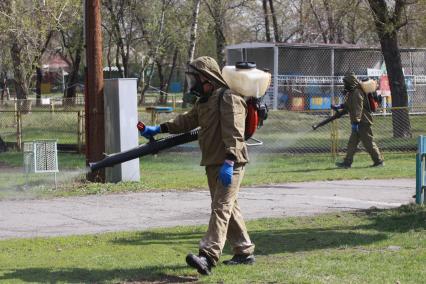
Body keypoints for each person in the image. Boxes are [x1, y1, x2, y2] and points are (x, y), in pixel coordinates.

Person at [138, 56, 255, 275]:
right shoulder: (205, 101)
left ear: (208, 78)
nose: (194, 83)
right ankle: (244, 251)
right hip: (212, 162)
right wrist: (158, 129)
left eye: (197, 78)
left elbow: (235, 133)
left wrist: (230, 161)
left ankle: (208, 256)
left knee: (220, 207)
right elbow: (185, 121)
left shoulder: (228, 97)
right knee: (228, 207)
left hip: (230, 162)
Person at [333, 72, 384, 168]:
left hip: (363, 122)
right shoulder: (352, 92)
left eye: (346, 83)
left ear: (350, 82)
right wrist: (339, 106)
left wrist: (356, 122)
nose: (345, 85)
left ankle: (379, 161)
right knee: (352, 144)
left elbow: (358, 108)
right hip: (358, 123)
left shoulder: (357, 92)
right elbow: (349, 105)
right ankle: (347, 163)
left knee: (368, 143)